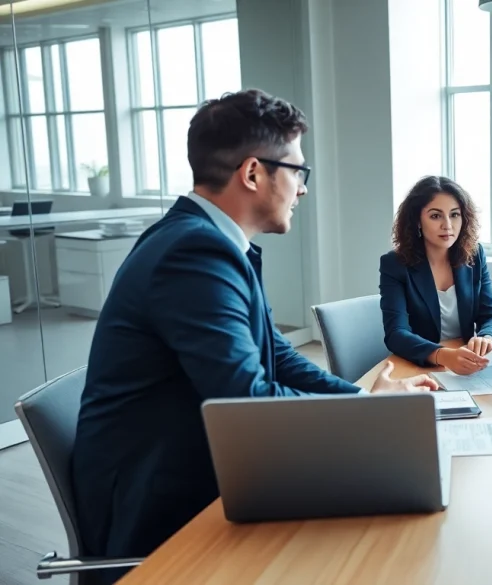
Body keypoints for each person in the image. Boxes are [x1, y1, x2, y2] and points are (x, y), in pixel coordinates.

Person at [70, 89, 437, 585]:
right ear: (252, 173)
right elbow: (247, 398)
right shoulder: (194, 252)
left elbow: (277, 356)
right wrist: (363, 417)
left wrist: (363, 397)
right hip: (161, 503)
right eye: (297, 172)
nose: (303, 189)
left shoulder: (206, 240)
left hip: (195, 464)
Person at [379, 176, 492, 374]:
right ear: (417, 220)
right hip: (421, 366)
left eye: (455, 215)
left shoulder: (474, 255)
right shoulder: (394, 264)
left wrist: (487, 338)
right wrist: (442, 355)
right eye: (436, 216)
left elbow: (491, 315)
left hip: (465, 364)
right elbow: (396, 334)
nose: (448, 225)